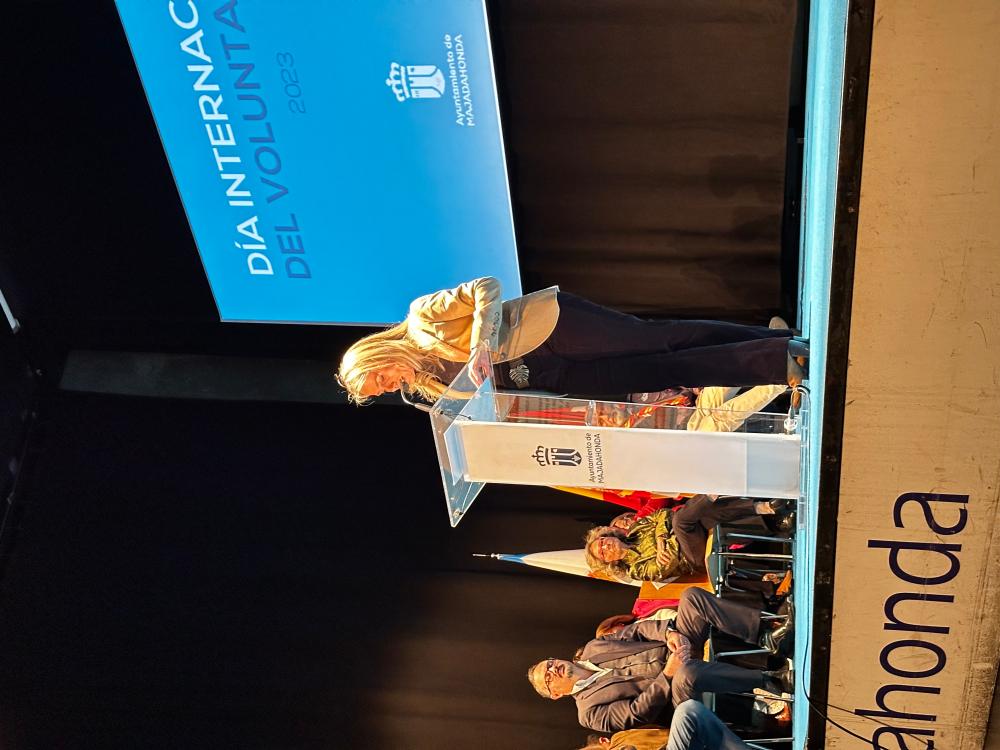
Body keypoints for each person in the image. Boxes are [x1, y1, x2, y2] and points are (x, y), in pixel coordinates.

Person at [337, 276, 807, 405]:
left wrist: (481, 344)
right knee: (668, 369)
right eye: (383, 390)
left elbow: (486, 287)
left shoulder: (422, 317)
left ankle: (779, 342)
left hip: (552, 329)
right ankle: (777, 360)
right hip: (557, 377)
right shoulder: (431, 391)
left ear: (377, 355)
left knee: (661, 341)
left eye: (381, 378)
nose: (390, 386)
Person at [526, 588, 793, 733]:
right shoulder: (588, 713)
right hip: (675, 697)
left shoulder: (592, 648)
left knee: (691, 598)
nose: (553, 669)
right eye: (548, 678)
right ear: (556, 695)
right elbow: (636, 713)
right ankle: (772, 681)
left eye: (549, 664)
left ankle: (767, 637)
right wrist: (667, 674)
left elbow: (637, 631)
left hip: (677, 649)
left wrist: (669, 634)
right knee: (687, 674)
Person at [586, 497, 792, 582]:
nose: (606, 546)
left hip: (691, 532)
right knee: (682, 520)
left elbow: (663, 514)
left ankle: (774, 518)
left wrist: (660, 539)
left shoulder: (636, 529)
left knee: (706, 516)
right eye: (602, 552)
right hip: (691, 558)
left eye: (602, 541)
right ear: (609, 562)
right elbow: (667, 563)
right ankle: (711, 494)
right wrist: (668, 537)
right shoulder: (635, 569)